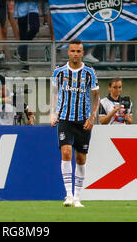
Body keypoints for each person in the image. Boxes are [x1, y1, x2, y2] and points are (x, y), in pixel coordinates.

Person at [50, 39, 100, 208]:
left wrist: (92, 117)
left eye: (79, 51)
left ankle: (78, 197)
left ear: (82, 53)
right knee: (66, 152)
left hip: (83, 120)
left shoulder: (89, 72)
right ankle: (68, 195)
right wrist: (53, 113)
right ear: (68, 52)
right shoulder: (59, 72)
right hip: (65, 118)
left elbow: (96, 97)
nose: (76, 54)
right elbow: (54, 93)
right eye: (73, 51)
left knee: (80, 158)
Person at [76, 0, 108, 64]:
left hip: (94, 5)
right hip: (80, 5)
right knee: (82, 30)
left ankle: (89, 54)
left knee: (97, 28)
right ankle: (80, 54)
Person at [13, 0, 41, 72]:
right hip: (21, 7)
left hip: (33, 7)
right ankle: (25, 64)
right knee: (23, 34)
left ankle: (20, 50)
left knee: (35, 28)